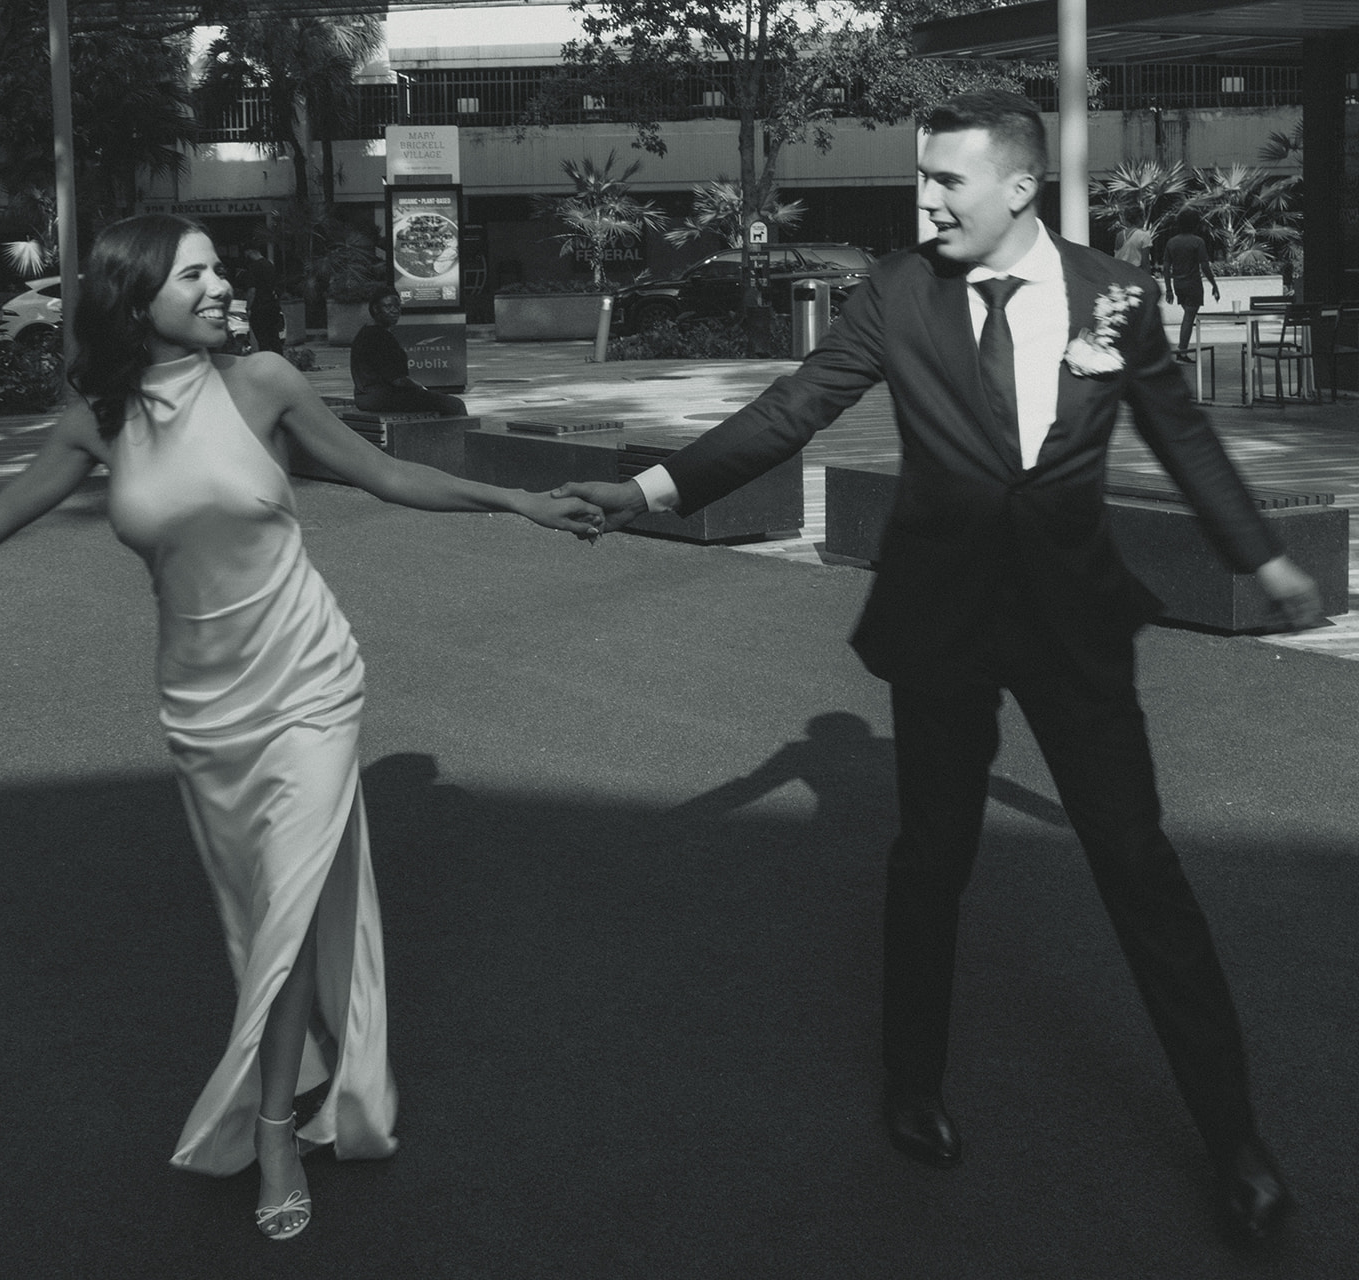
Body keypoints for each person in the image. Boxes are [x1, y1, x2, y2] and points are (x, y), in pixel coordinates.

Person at [554, 91, 1321, 1245]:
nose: (923, 199)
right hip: (943, 621)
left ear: (1017, 187)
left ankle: (1235, 1139)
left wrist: (1258, 556)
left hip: (1071, 627)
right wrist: (656, 487)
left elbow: (1182, 434)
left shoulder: (1114, 292)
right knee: (932, 854)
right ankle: (911, 1082)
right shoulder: (894, 293)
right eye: (922, 178)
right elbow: (791, 408)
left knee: (1141, 867)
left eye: (944, 182)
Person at [0, 214, 601, 1242]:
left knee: (293, 909)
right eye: (196, 271)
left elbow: (387, 475)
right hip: (204, 710)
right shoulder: (97, 416)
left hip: (308, 678)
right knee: (257, 916)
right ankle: (289, 1085)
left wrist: (519, 502)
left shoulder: (263, 384)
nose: (220, 284)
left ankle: (271, 1132)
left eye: (218, 268)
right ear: (138, 298)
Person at [350, 286, 468, 417]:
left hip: (365, 397)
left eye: (398, 306)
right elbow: (398, 380)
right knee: (455, 405)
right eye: (388, 306)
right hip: (383, 397)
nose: (395, 311)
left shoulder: (364, 332)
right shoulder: (381, 337)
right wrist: (419, 387)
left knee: (434, 398)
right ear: (375, 309)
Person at [1162, 210, 1219, 362]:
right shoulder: (1198, 241)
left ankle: (1183, 350)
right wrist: (1214, 284)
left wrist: (1169, 289)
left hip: (1178, 284)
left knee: (1188, 316)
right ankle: (1182, 351)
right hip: (1193, 284)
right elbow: (1205, 266)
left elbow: (1166, 267)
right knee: (1188, 318)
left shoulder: (1171, 242)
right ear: (1195, 224)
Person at [240, 247, 283, 356]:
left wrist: (248, 307)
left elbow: (252, 290)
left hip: (259, 306)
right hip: (272, 304)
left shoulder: (253, 268)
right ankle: (279, 359)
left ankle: (266, 362)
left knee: (262, 338)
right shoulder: (270, 265)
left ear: (250, 253)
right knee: (274, 336)